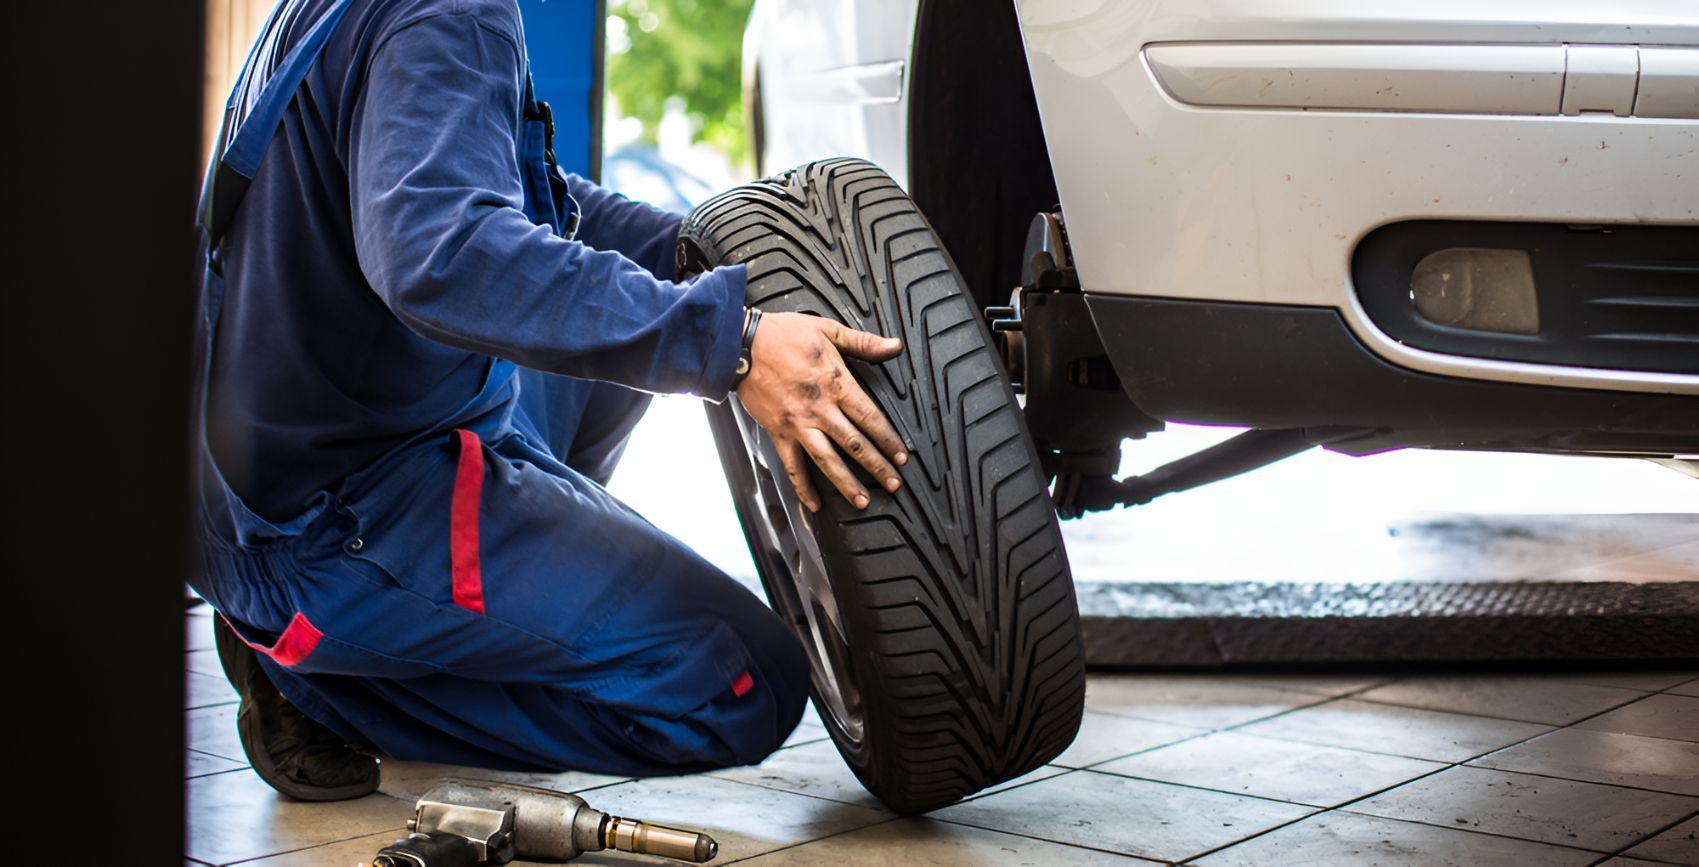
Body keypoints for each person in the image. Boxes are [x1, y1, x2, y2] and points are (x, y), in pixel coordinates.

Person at [193, 0, 908, 801]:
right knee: (745, 682)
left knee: (602, 338)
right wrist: (731, 347)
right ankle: (319, 679)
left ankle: (492, 605)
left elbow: (507, 189)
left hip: (268, 469)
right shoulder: (452, 11)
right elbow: (443, 255)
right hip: (334, 519)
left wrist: (699, 256)